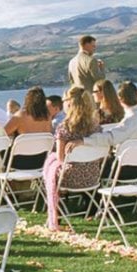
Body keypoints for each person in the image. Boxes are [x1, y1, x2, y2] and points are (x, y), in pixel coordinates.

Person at [43, 87, 102, 230]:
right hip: (93, 176)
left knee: (50, 169)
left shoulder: (65, 127)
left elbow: (61, 157)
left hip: (71, 178)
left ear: (69, 104)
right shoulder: (95, 126)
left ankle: (57, 213)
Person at [4, 86, 52, 168]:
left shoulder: (20, 116)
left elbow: (3, 133)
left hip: (19, 162)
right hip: (41, 161)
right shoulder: (47, 116)